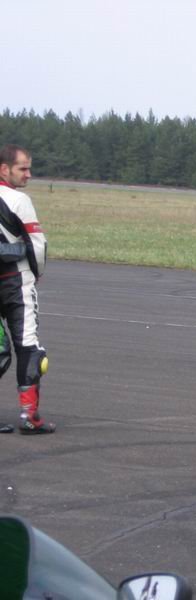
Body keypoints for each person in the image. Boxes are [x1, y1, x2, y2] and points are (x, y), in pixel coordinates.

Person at [0, 144, 53, 434]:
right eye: (22, 168)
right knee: (29, 349)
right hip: (16, 282)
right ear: (4, 169)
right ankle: (29, 417)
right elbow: (37, 245)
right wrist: (36, 272)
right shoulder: (19, 200)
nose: (28, 174)